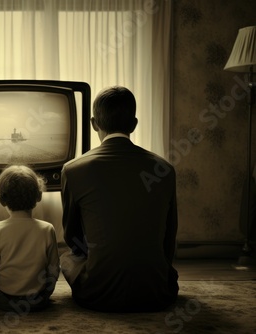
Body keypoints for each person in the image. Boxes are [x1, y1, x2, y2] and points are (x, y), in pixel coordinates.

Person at [60, 86, 178, 312]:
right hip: (157, 293)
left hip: (97, 296)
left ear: (94, 124)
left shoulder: (73, 170)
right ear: (134, 125)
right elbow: (168, 239)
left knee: (66, 259)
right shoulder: (165, 169)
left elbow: (72, 237)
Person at [0, 165, 60, 312]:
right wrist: (46, 294)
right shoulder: (47, 229)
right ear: (39, 196)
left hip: (6, 298)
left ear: (2, 199)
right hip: (37, 299)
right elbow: (54, 269)